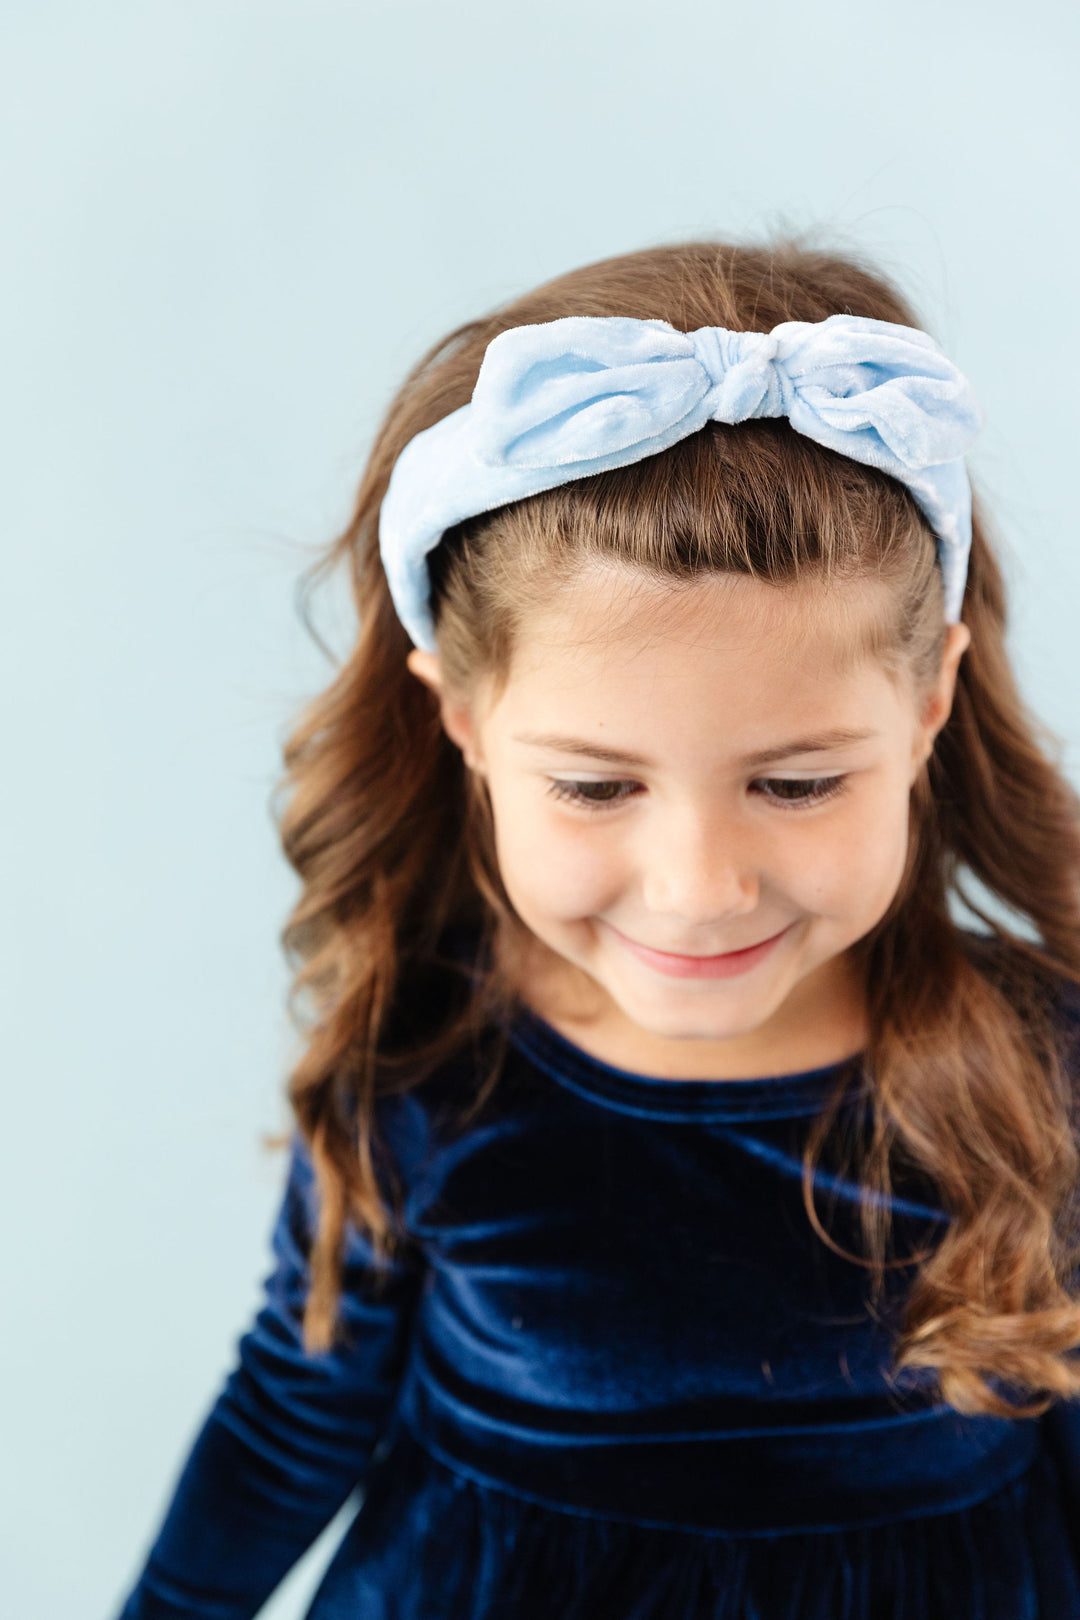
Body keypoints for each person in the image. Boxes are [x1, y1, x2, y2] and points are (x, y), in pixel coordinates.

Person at [113, 236, 1080, 1619]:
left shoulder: (1044, 1068)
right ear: (464, 722)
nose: (698, 885)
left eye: (797, 784)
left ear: (926, 709)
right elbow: (293, 1407)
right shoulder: (430, 1065)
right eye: (594, 785)